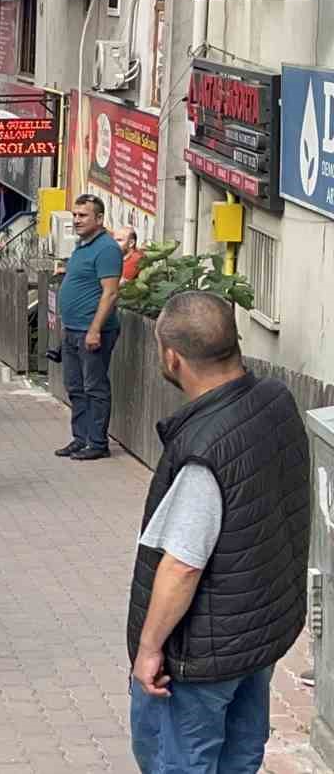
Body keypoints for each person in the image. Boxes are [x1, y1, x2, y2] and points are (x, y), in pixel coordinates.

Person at [127, 291, 309, 774]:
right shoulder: (276, 400)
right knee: (240, 757)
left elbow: (183, 566)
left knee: (181, 762)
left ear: (172, 357)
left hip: (202, 659)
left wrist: (148, 650)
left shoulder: (204, 449)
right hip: (260, 633)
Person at [57, 195, 122, 461]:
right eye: (75, 215)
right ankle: (80, 438)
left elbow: (110, 293)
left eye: (83, 215)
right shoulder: (82, 245)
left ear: (99, 218)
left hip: (91, 331)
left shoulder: (106, 248)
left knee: (94, 387)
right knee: (75, 386)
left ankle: (97, 442)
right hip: (73, 328)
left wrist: (95, 329)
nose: (76, 220)